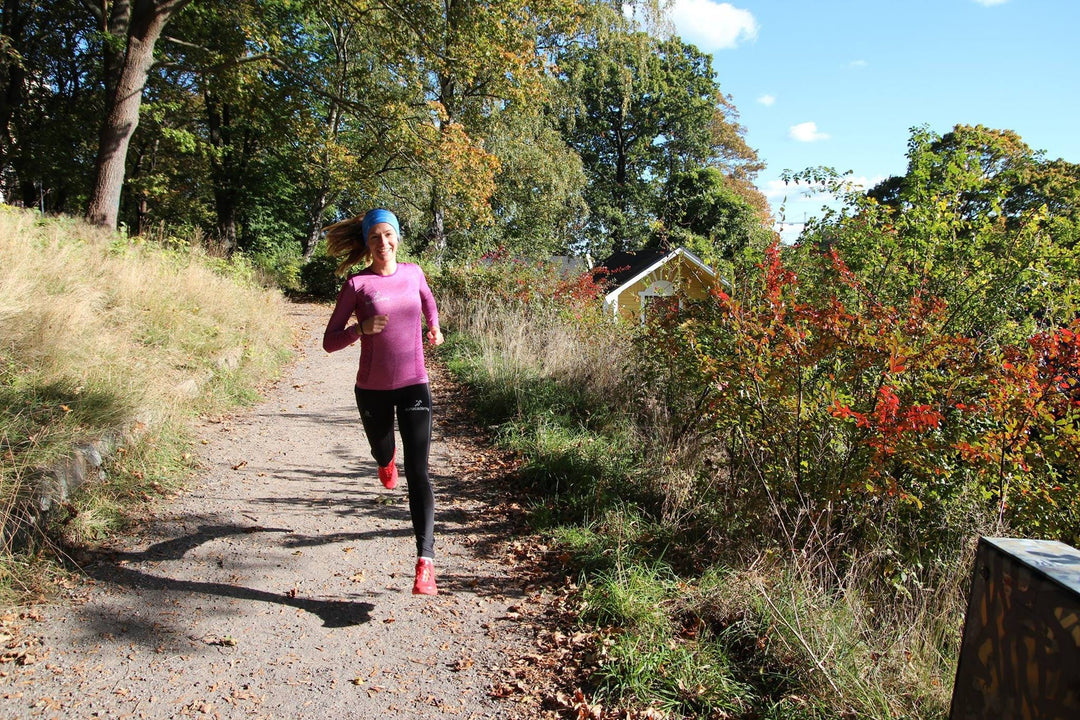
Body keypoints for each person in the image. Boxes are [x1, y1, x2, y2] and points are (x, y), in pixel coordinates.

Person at [322, 208, 444, 595]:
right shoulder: (356, 285)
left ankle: (425, 562)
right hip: (372, 389)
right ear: (366, 242)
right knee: (383, 450)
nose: (383, 243)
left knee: (420, 472)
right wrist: (360, 329)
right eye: (374, 237)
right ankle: (384, 461)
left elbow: (428, 302)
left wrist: (434, 327)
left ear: (398, 238)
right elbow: (329, 340)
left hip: (414, 385)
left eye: (388, 235)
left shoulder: (414, 273)